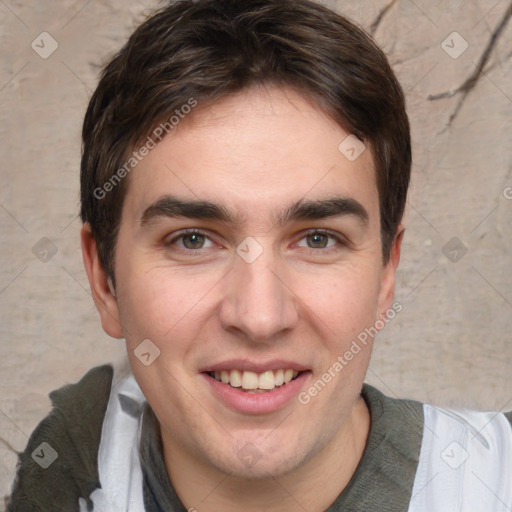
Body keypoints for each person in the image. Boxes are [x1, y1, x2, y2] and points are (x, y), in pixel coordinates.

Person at [6, 0, 512, 510]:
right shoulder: (62, 481)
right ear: (103, 279)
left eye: (317, 239)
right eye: (193, 240)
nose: (260, 317)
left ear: (386, 274)